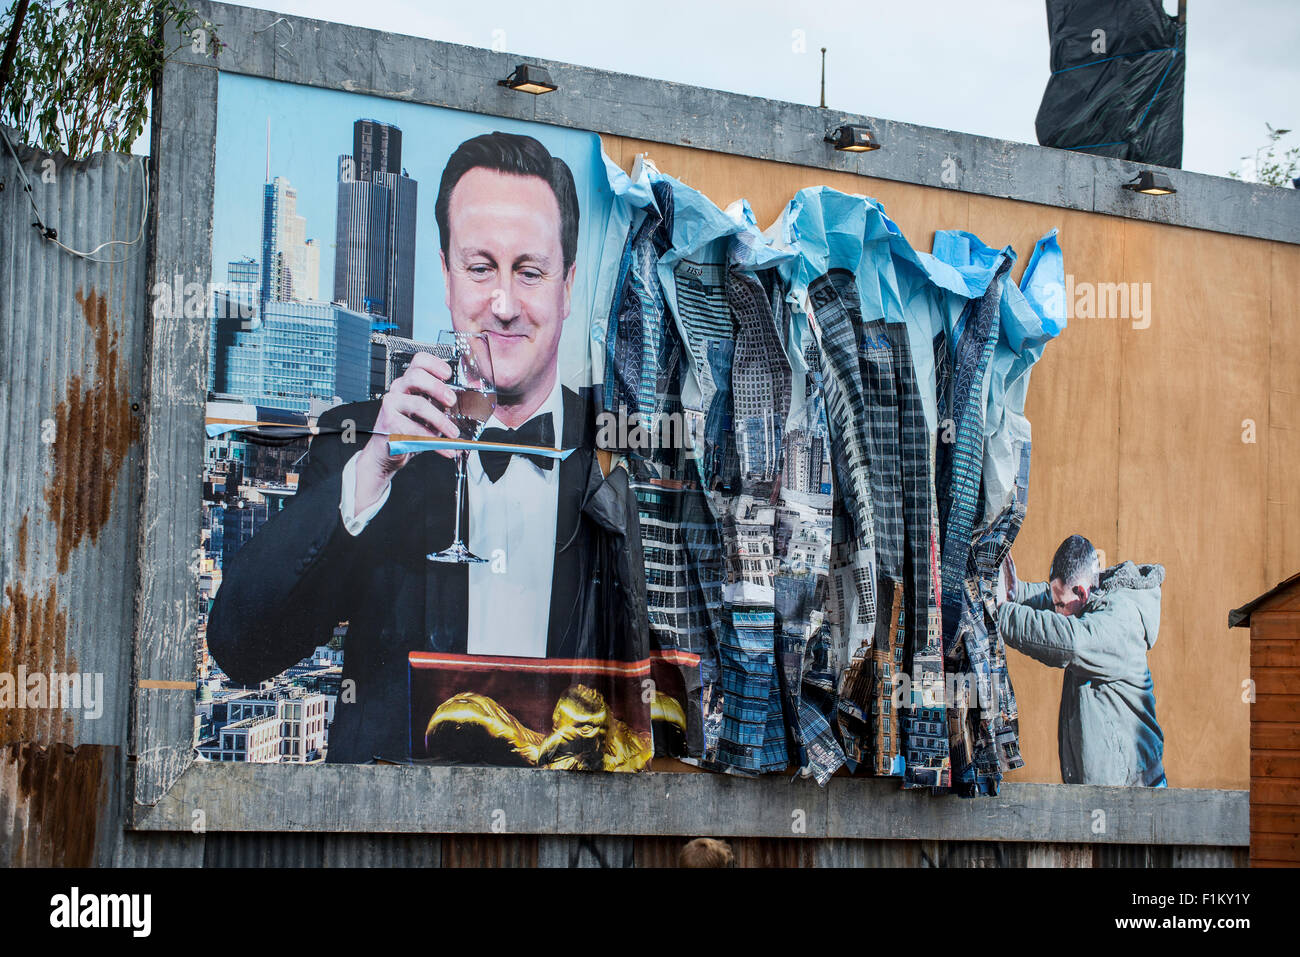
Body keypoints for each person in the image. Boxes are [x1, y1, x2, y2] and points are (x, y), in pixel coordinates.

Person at [208, 132, 646, 764]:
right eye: (479, 268)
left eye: (529, 272)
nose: (502, 305)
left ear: (567, 286)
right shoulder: (366, 439)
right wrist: (372, 472)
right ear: (445, 275)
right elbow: (240, 648)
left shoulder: (613, 451)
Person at [996, 534, 1166, 787]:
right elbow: (1051, 601)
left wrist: (1000, 613)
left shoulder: (1120, 621)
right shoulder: (1089, 599)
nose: (1058, 612)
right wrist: (1016, 592)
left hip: (1134, 790)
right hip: (1112, 787)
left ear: (1082, 592)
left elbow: (1072, 643)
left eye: (1061, 604)